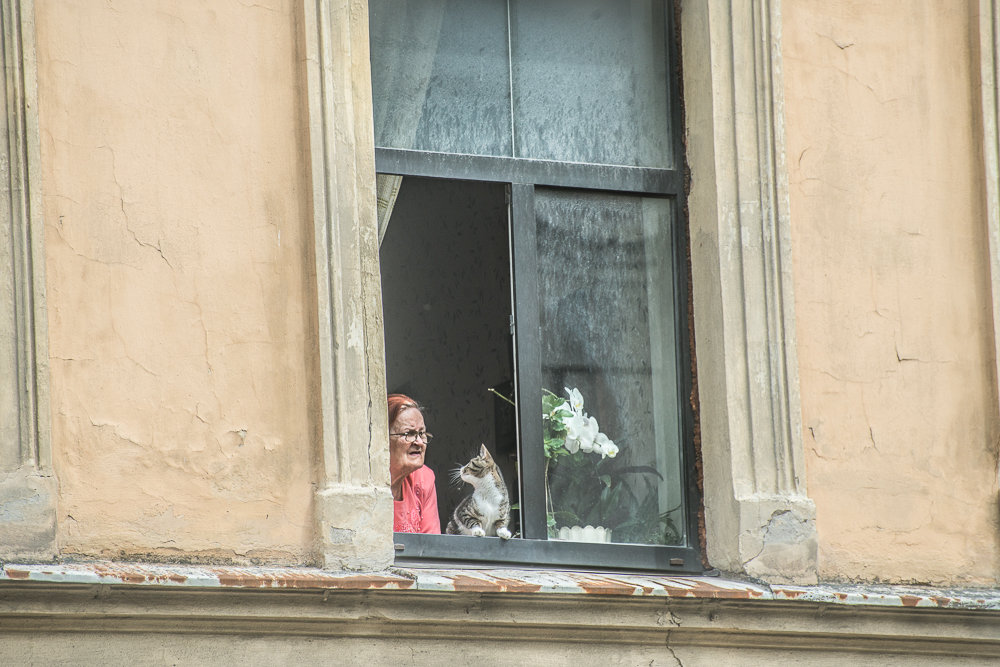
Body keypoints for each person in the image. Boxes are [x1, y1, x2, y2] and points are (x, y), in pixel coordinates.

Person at [388, 393, 440, 533]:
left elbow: (431, 546)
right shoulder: (365, 485)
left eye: (421, 433)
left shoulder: (424, 478)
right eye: (409, 434)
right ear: (384, 439)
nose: (419, 442)